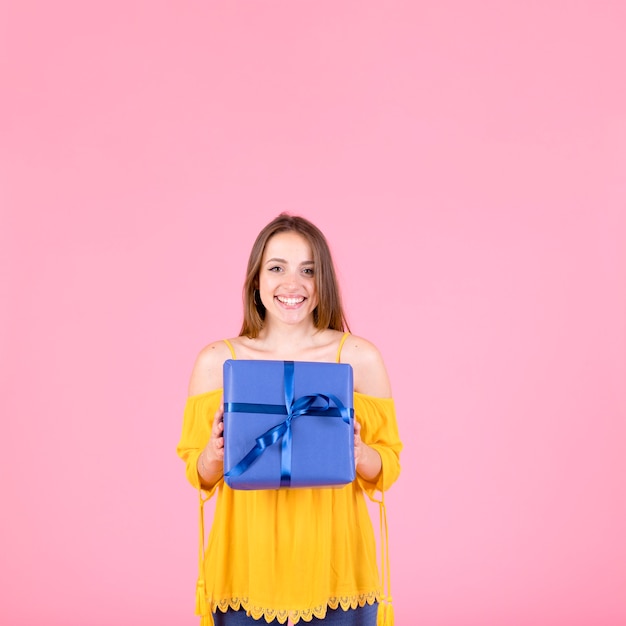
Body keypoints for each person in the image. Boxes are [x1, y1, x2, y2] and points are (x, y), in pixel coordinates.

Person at [177, 213, 402, 626]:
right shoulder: (218, 361)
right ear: (256, 279)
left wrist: (360, 452)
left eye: (308, 270)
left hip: (337, 570)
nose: (292, 284)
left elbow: (387, 469)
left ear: (323, 283)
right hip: (245, 569)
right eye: (277, 268)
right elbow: (200, 475)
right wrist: (213, 452)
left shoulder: (358, 358)